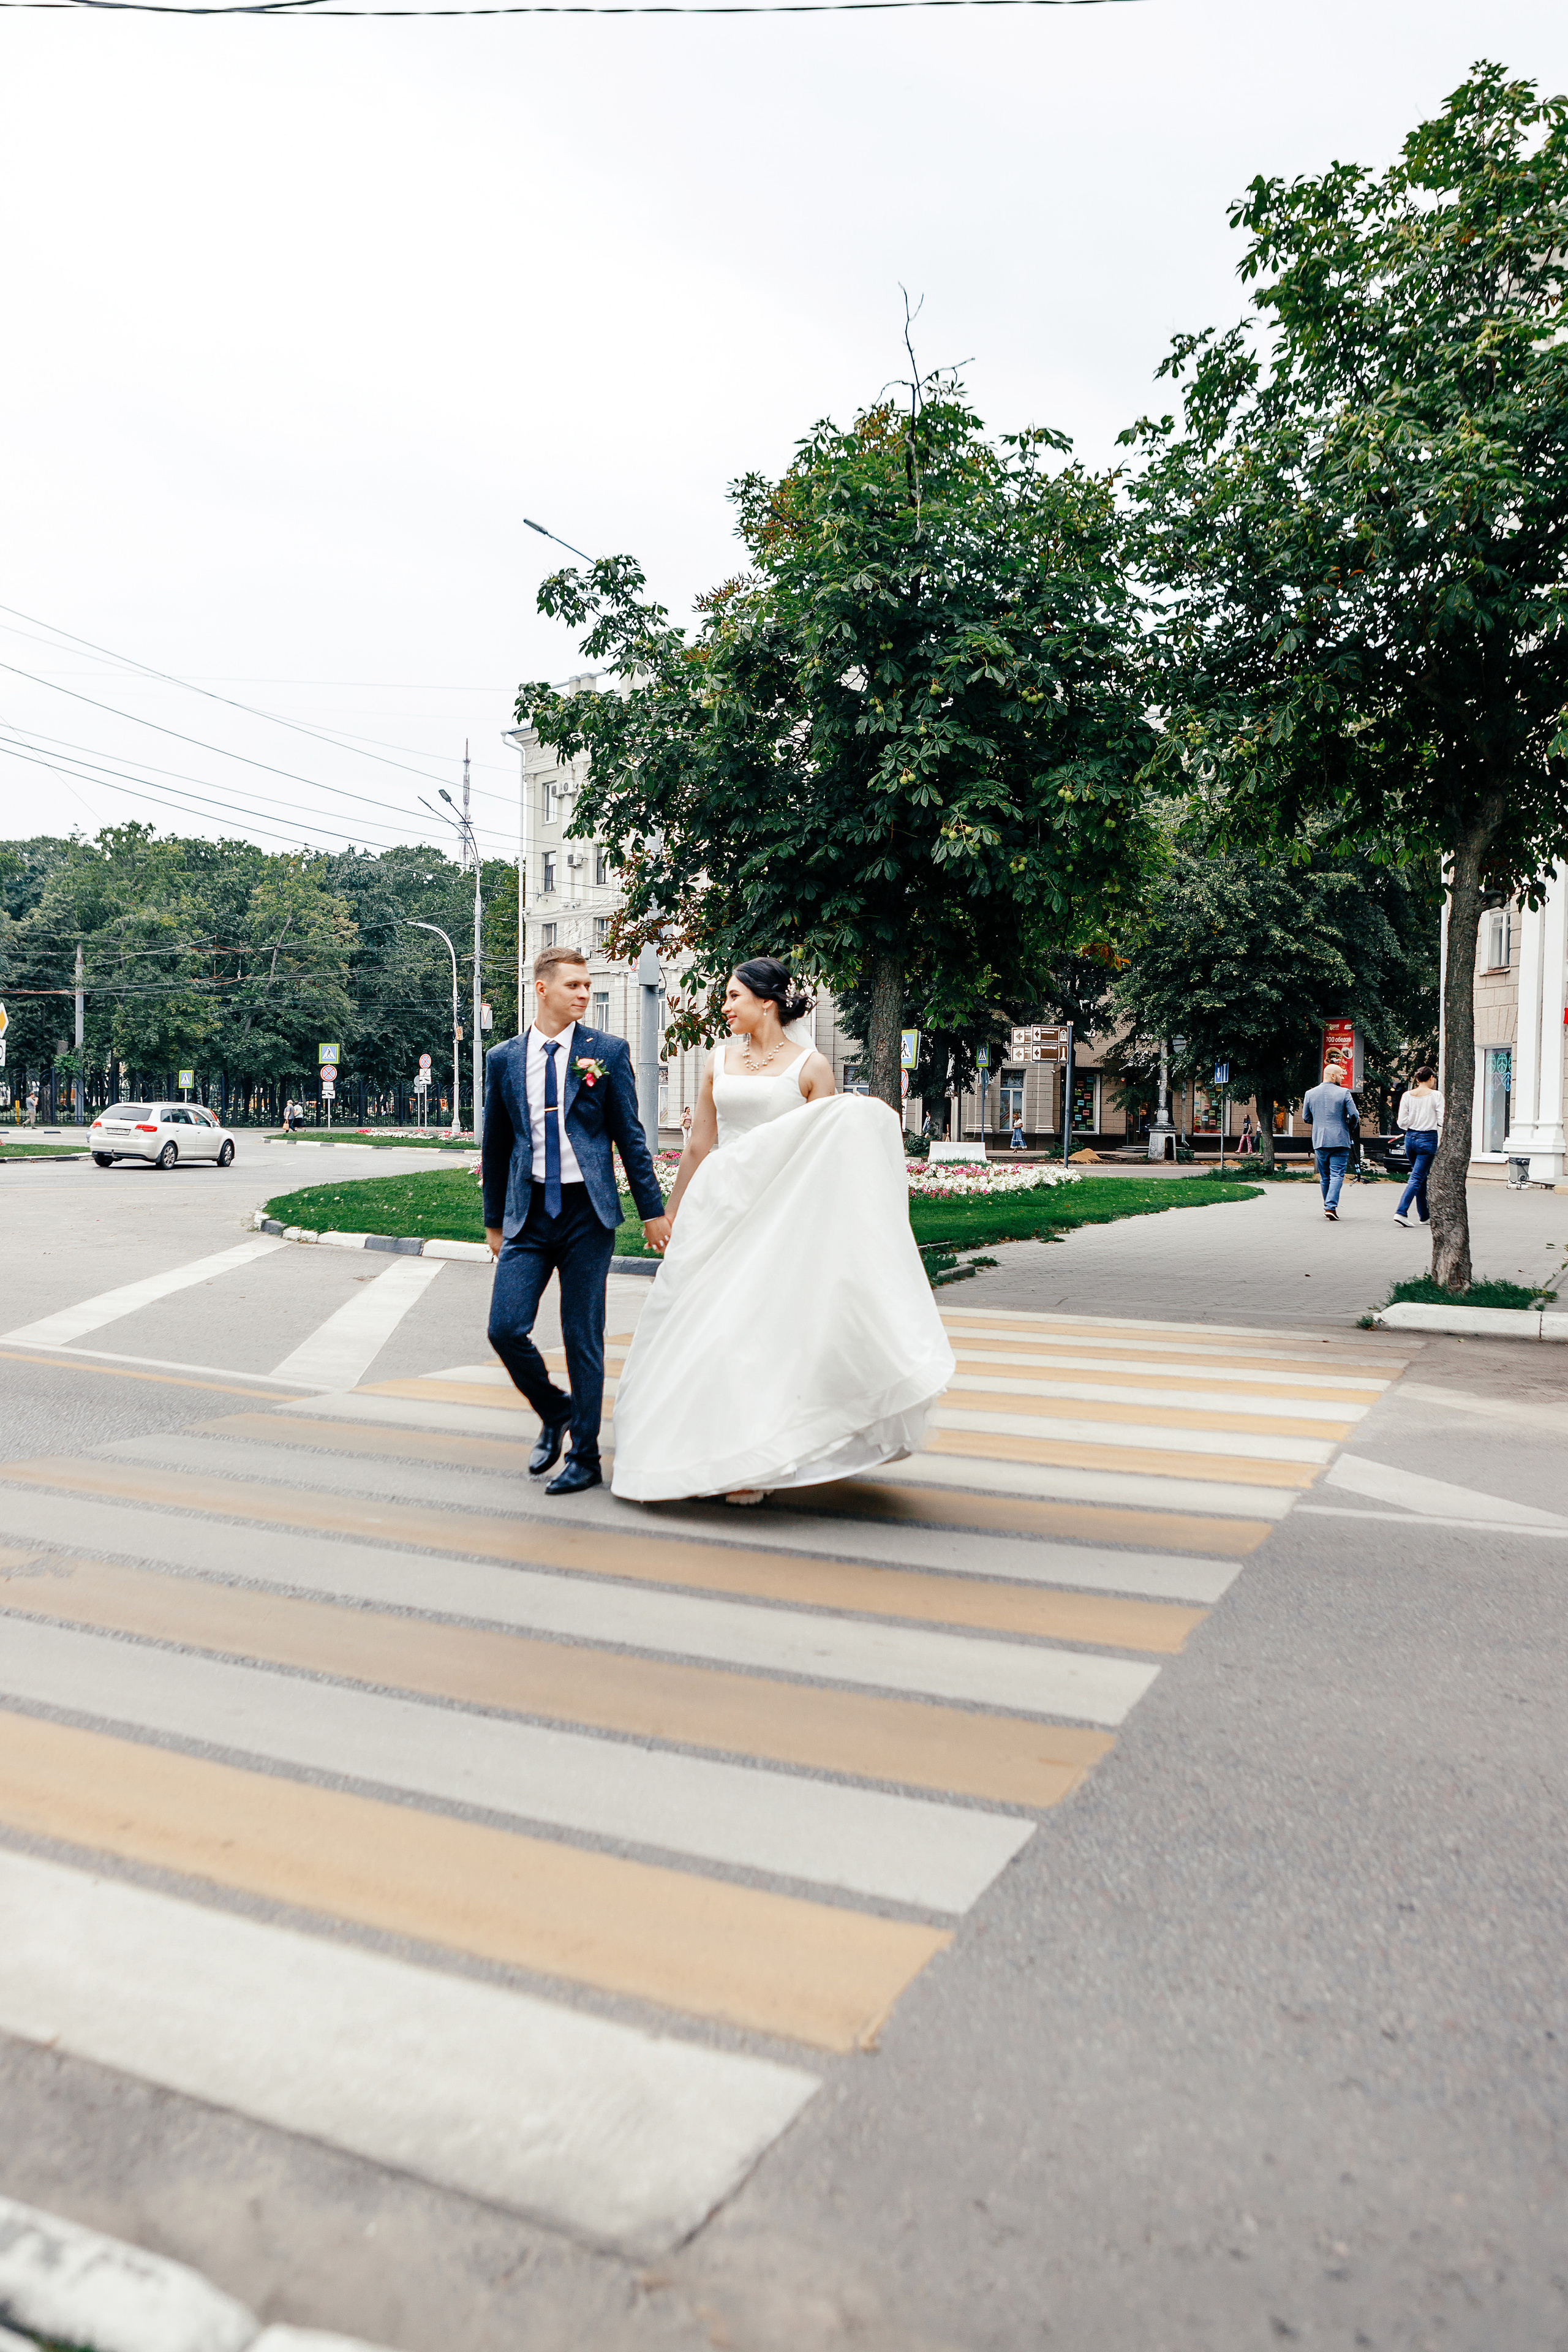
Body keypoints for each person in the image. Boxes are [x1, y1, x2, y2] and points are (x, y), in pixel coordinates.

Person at [610, 957, 955, 1507]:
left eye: (733, 996)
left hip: (781, 1216)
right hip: (721, 1209)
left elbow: (830, 1152)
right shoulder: (718, 1060)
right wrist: (669, 1212)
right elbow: (699, 1144)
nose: (724, 1006)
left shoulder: (812, 1067)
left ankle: (756, 1461)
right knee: (707, 1328)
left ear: (766, 1002)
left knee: (760, 1335)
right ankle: (702, 1447)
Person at [483, 944, 670, 1495]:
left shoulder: (606, 1051)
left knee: (581, 1335)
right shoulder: (504, 1058)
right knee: (504, 1328)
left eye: (588, 986)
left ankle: (585, 1457)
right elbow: (497, 1144)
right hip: (529, 1214)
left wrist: (652, 1212)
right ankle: (556, 1409)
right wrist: (494, 1220)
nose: (585, 994)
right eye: (574, 986)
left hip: (588, 1214)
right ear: (541, 989)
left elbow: (631, 1137)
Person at [1302, 1060, 1361, 1221]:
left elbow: (1306, 1117)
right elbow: (1354, 1116)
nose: (1342, 1078)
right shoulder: (1344, 1093)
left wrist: (1319, 1123)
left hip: (1320, 1140)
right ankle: (1330, 1207)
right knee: (1337, 1175)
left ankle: (1328, 1206)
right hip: (1340, 1139)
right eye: (1341, 1075)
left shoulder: (1310, 1094)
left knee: (1325, 1177)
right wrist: (1349, 1127)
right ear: (1333, 1075)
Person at [1394, 1066, 1443, 1227]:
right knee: (1416, 1178)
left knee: (1420, 1177)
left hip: (1410, 1139)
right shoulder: (1436, 1095)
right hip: (1428, 1139)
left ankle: (1424, 1216)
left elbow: (1402, 1122)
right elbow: (1442, 1120)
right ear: (1431, 1078)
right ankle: (1401, 1212)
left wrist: (1413, 1121)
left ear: (1417, 1079)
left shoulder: (1407, 1095)